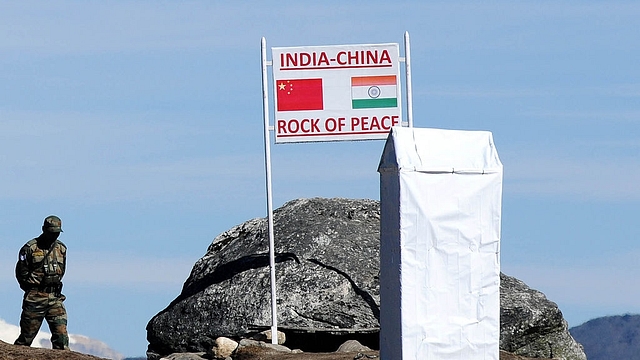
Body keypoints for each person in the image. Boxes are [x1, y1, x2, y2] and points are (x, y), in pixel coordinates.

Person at [14, 215, 69, 350]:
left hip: (55, 298)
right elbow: (21, 272)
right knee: (26, 339)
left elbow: (62, 270)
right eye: (51, 232)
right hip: (35, 298)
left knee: (61, 337)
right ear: (44, 229)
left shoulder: (61, 249)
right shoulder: (30, 248)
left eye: (56, 233)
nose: (54, 236)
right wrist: (32, 289)